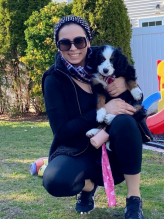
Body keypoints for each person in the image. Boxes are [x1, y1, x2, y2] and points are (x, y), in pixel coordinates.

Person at [42, 15, 144, 219]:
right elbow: (62, 132)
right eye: (65, 43)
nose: (73, 48)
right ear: (58, 46)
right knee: (54, 181)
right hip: (77, 149)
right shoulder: (54, 79)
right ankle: (88, 187)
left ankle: (134, 199)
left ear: (88, 41)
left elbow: (135, 95)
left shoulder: (105, 58)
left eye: (79, 41)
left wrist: (125, 81)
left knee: (125, 120)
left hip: (113, 147)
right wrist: (106, 109)